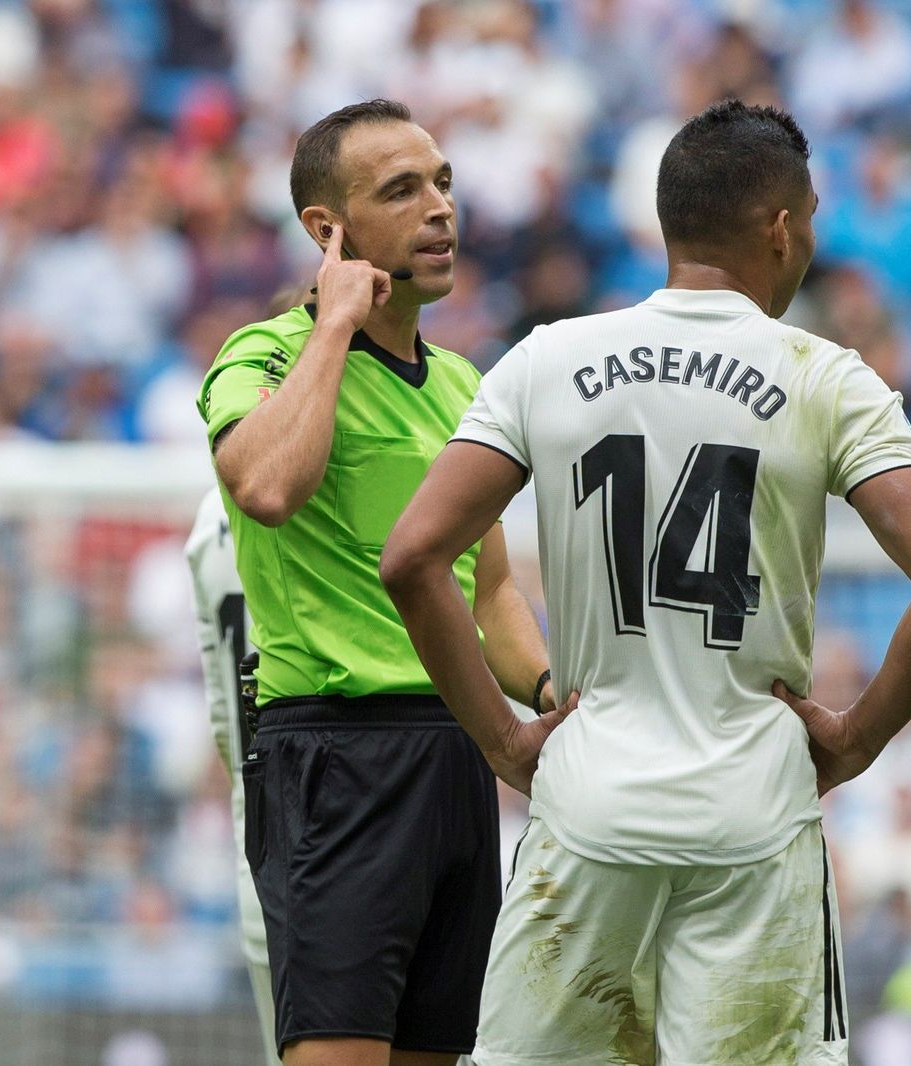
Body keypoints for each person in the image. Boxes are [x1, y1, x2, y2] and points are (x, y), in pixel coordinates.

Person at [381, 100, 911, 1064]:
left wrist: (501, 740)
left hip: (588, 807)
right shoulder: (825, 377)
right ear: (781, 229)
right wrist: (856, 740)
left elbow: (413, 557)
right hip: (752, 818)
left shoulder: (547, 360)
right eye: (811, 220)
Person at [196, 99, 567, 1066]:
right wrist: (334, 325)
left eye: (442, 182)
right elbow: (267, 488)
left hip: (460, 755)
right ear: (328, 229)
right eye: (401, 191)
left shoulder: (463, 383)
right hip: (335, 756)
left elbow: (489, 594)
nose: (439, 208)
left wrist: (550, 694)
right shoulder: (263, 355)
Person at [183, 485, 277, 1065]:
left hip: (258, 850)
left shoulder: (209, 520)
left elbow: (223, 721)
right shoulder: (343, 492)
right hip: (350, 833)